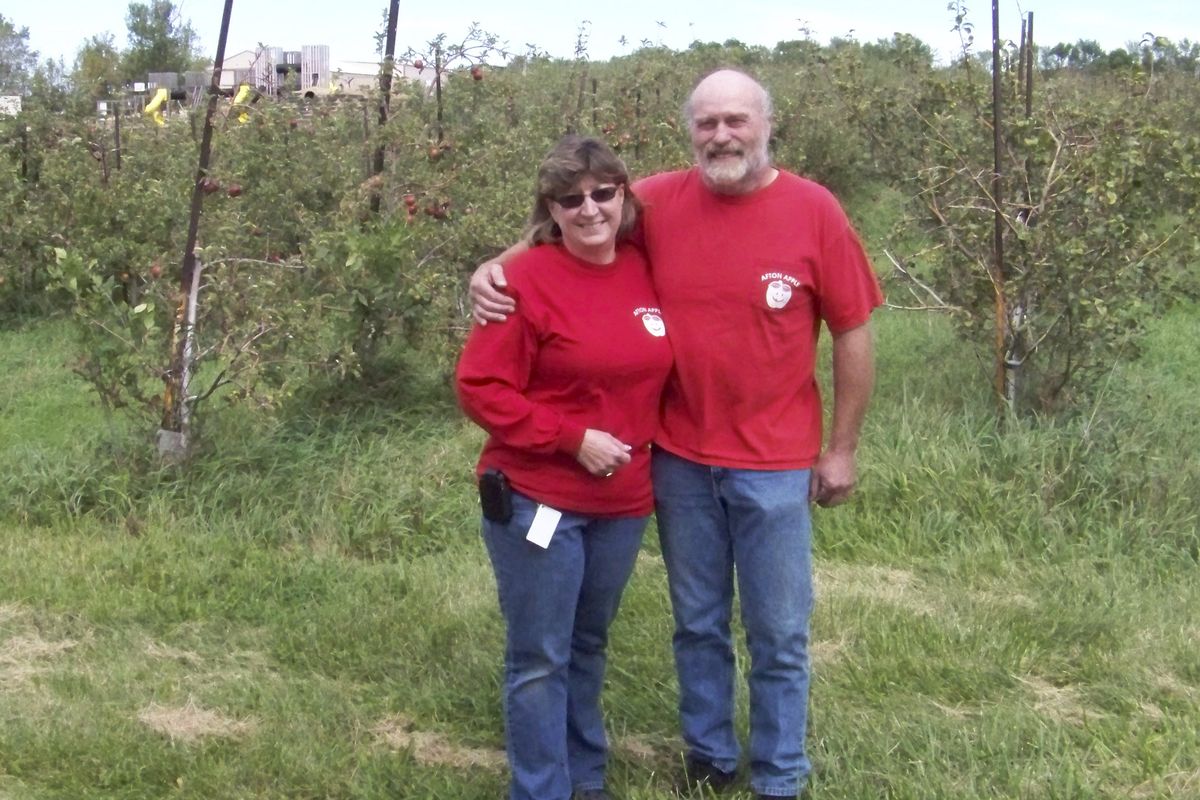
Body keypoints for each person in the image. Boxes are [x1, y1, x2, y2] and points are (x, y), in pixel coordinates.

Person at [470, 69, 883, 799]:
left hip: (775, 463)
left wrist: (842, 448)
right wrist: (489, 269)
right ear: (689, 131)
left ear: (766, 125)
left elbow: (853, 331)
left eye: (736, 121)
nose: (721, 135)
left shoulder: (813, 211)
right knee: (697, 623)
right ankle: (711, 757)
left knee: (779, 633)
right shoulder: (656, 199)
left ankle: (781, 773)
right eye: (707, 123)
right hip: (680, 460)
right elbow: (563, 223)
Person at [456, 135, 674, 800]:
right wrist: (570, 437)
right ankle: (541, 788)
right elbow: (480, 386)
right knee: (540, 657)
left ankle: (586, 779)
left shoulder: (645, 267)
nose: (588, 209)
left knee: (586, 645)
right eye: (569, 199)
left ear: (624, 196)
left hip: (623, 502)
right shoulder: (521, 282)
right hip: (537, 500)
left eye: (602, 193)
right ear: (548, 209)